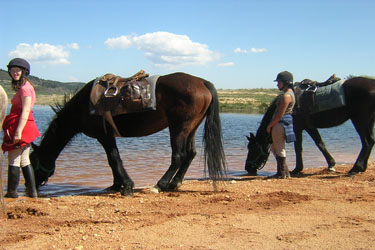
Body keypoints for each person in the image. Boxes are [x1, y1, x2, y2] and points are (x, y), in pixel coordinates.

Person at [2, 58, 41, 198]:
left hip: (22, 126)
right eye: (12, 71)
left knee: (13, 159)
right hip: (26, 125)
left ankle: (12, 192)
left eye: (18, 70)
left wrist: (18, 131)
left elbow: (25, 110)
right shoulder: (26, 86)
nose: (15, 73)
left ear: (24, 71)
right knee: (24, 160)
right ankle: (32, 192)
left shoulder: (25, 88)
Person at [266, 71, 296, 178]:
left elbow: (279, 115)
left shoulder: (286, 96)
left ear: (285, 82)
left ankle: (282, 173)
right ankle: (284, 172)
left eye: (279, 82)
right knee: (275, 147)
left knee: (279, 148)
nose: (277, 84)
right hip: (283, 123)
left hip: (280, 124)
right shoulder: (290, 94)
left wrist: (269, 125)